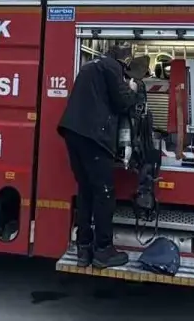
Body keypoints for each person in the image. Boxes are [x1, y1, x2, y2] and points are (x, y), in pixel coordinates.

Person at [57, 44, 139, 269]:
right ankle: (103, 250)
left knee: (86, 189)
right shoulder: (111, 67)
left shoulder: (90, 66)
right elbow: (123, 102)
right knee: (104, 193)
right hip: (93, 138)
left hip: (72, 133)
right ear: (123, 61)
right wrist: (131, 88)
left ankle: (83, 248)